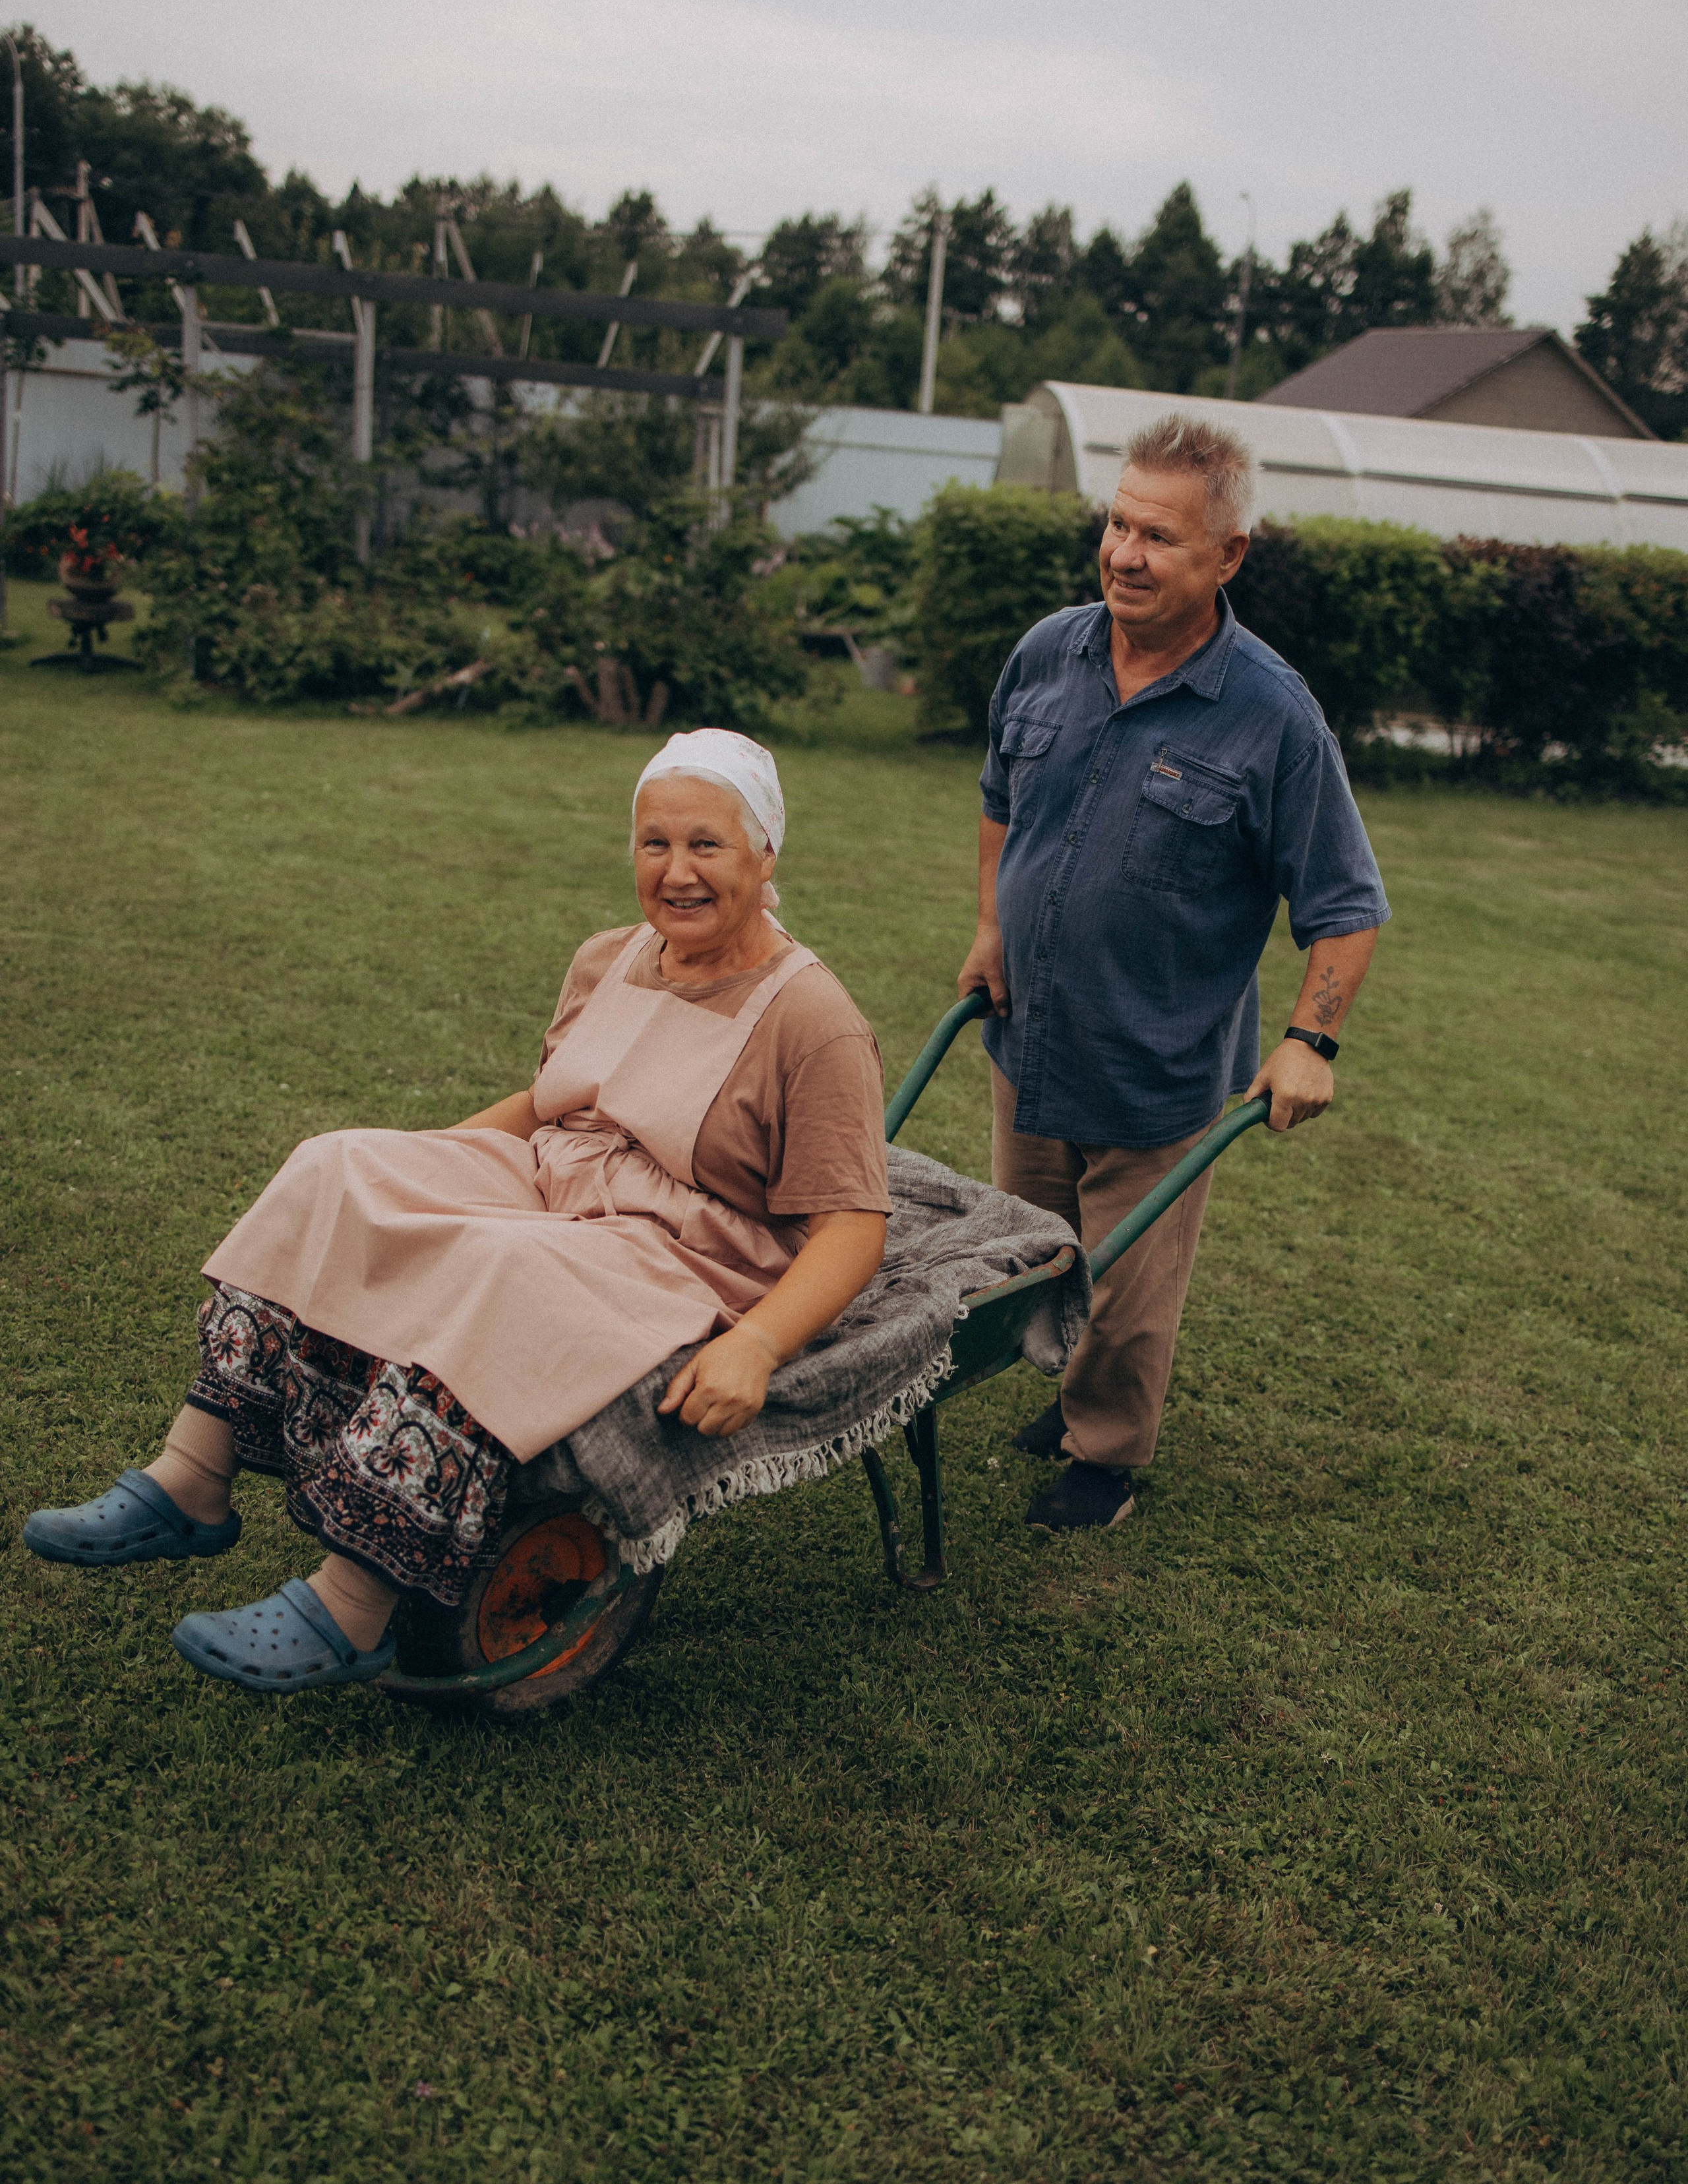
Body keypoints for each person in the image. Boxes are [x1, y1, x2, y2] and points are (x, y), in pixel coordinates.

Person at [24, 730, 891, 1691]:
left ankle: (354, 1611)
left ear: (767, 851)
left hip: (680, 1247)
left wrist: (758, 1345)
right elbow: (551, 1100)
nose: (676, 872)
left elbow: (852, 1225)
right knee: (335, 1169)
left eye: (707, 845)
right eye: (655, 844)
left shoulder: (813, 1020)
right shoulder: (611, 957)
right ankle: (191, 1479)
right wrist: (427, 1166)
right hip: (556, 1175)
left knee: (500, 1272)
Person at [959, 412, 1390, 1532]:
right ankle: (1060, 1402)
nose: (1124, 554)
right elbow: (1003, 800)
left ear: (1229, 555)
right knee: (1031, 1248)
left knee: (1129, 1288)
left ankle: (1104, 1457)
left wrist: (1312, 1040)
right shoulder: (1050, 650)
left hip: (1159, 1063)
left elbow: (1344, 904)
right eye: (1117, 524)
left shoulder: (1272, 714)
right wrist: (991, 932)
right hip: (1031, 1032)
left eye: (1159, 537)